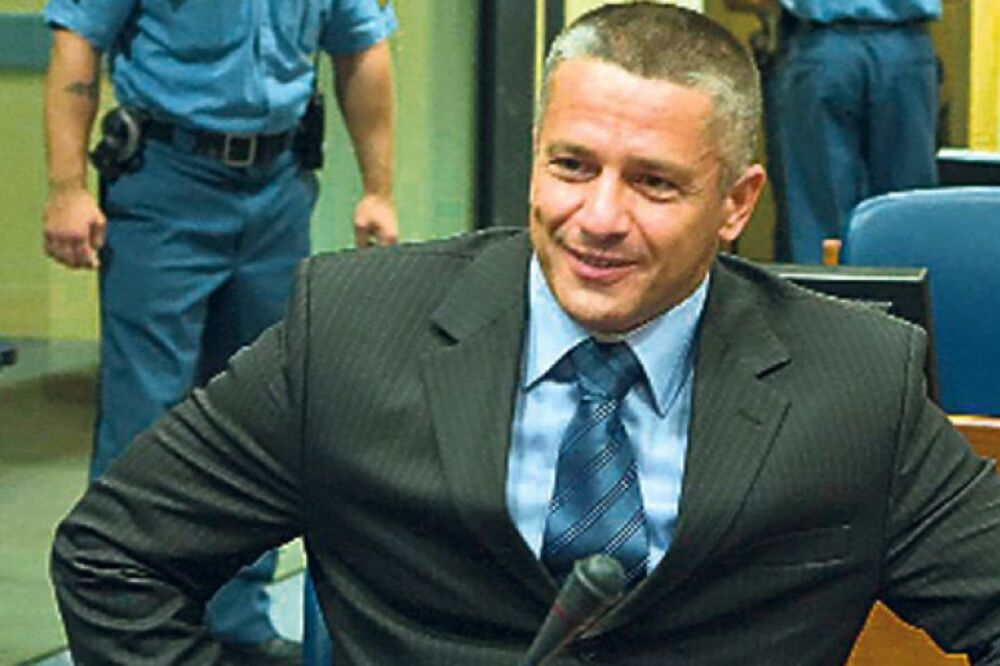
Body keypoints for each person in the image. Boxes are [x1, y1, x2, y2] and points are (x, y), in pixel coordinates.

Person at [51, 3, 1000, 663]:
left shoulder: (857, 380)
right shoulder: (350, 330)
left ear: (736, 204)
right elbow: (113, 556)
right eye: (572, 166)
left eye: (654, 183)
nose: (599, 218)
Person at [41, 0, 397, 662]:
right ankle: (124, 632)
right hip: (164, 180)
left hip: (279, 185)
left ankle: (239, 622)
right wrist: (67, 187)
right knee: (145, 415)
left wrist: (379, 188)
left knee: (261, 415)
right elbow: (77, 41)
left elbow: (362, 50)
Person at [727, 0, 941, 263]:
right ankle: (903, 289)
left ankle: (817, 287)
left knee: (815, 217)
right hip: (903, 46)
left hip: (822, 47)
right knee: (905, 213)